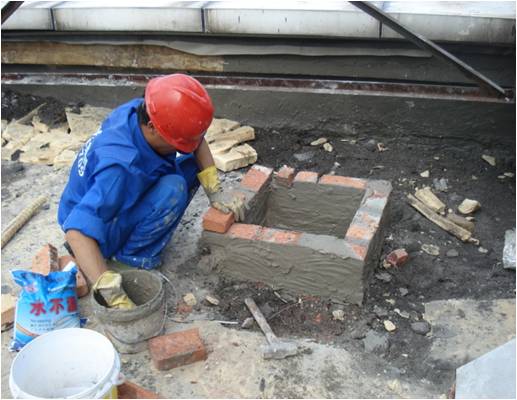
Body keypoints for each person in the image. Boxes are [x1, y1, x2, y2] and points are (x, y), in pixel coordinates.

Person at [58, 74, 244, 309]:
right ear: (153, 128)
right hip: (96, 227)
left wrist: (214, 190)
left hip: (108, 197)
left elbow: (196, 142)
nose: (186, 146)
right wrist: (107, 289)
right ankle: (127, 261)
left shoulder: (146, 110)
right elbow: (76, 231)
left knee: (188, 166)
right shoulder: (118, 170)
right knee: (174, 189)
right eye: (179, 142)